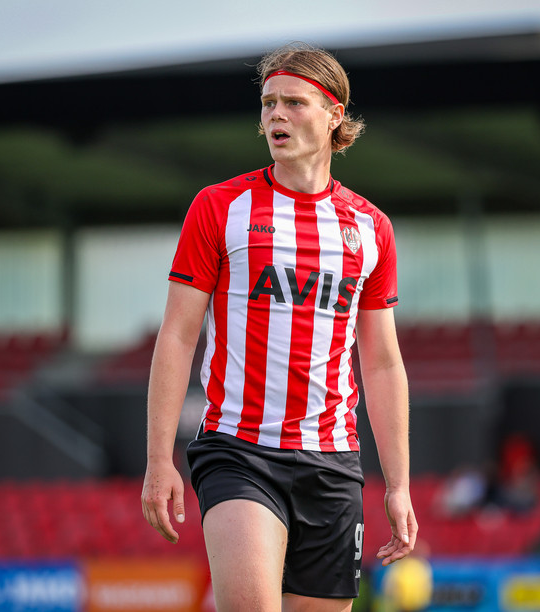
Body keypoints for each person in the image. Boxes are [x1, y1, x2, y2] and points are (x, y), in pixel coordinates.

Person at [141, 43, 417, 612]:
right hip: (238, 450)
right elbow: (177, 335)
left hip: (333, 462)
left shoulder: (371, 228)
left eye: (294, 102)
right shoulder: (219, 207)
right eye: (268, 103)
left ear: (334, 114)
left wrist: (398, 485)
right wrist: (157, 458)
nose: (275, 116)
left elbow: (383, 362)